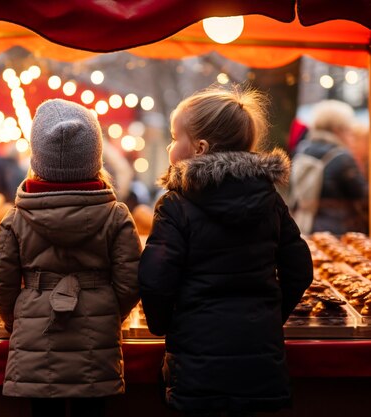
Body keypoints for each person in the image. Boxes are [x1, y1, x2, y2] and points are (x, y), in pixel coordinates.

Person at [138, 86, 313, 417]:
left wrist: (163, 325)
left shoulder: (175, 205)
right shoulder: (271, 201)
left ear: (200, 148)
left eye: (176, 138)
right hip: (262, 361)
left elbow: (156, 277)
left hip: (196, 365)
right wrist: (270, 317)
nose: (170, 145)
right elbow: (300, 269)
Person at [0, 99, 141, 417]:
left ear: (37, 159)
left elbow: (0, 279)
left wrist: (17, 320)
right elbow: (130, 281)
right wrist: (110, 313)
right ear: (95, 157)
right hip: (96, 342)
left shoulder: (16, 217)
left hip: (35, 337)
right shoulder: (117, 215)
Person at [292, 100, 368, 234]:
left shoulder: (303, 148)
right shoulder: (342, 157)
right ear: (338, 130)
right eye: (349, 131)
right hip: (337, 231)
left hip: (303, 223)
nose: (351, 137)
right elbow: (364, 195)